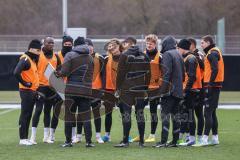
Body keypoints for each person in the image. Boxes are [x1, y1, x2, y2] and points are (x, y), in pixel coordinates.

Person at [55, 37, 95, 148]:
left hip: (71, 90)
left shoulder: (70, 55)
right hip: (86, 90)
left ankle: (68, 141)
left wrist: (57, 73)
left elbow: (64, 72)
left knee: (69, 116)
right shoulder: (90, 57)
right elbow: (90, 75)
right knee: (86, 117)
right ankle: (89, 142)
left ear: (75, 45)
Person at [114, 37, 150, 147]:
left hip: (127, 89)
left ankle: (125, 141)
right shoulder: (144, 56)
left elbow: (120, 74)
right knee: (140, 114)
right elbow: (148, 74)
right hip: (140, 88)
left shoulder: (124, 56)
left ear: (128, 44)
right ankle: (141, 142)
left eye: (125, 43)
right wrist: (145, 88)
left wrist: (117, 89)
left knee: (126, 114)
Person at [153, 36, 185, 148]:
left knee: (165, 116)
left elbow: (166, 74)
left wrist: (162, 91)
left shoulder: (167, 54)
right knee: (176, 117)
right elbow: (183, 75)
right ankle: (175, 141)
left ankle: (163, 141)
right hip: (178, 91)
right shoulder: (178, 54)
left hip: (169, 91)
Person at [30, 37, 61, 144]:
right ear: (44, 43)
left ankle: (46, 137)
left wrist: (58, 86)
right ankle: (32, 137)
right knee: (38, 110)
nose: (51, 44)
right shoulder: (38, 55)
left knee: (47, 112)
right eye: (49, 43)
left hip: (51, 88)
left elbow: (59, 71)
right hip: (40, 87)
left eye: (53, 43)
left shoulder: (56, 56)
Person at [194, 35, 224, 146]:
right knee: (212, 112)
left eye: (202, 43)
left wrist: (210, 84)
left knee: (207, 112)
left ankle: (205, 139)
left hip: (212, 86)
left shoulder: (212, 53)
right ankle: (215, 137)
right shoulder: (213, 52)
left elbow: (215, 69)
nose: (201, 45)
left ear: (208, 42)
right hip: (215, 85)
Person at [74, 38, 105, 144]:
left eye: (89, 46)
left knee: (97, 113)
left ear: (93, 47)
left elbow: (103, 75)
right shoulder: (79, 58)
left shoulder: (99, 58)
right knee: (81, 114)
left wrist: (103, 90)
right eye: (86, 46)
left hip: (96, 89)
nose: (88, 48)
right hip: (83, 89)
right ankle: (78, 136)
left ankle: (98, 136)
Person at [14, 39, 42, 146]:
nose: (39, 52)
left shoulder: (32, 60)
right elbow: (16, 72)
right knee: (25, 114)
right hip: (26, 91)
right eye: (37, 50)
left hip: (32, 91)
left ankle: (25, 138)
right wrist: (25, 83)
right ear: (31, 49)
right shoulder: (25, 59)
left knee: (29, 114)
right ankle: (22, 139)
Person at [177, 39, 202, 146]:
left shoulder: (190, 58)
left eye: (178, 48)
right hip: (189, 90)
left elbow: (192, 76)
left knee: (190, 114)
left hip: (191, 90)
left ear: (182, 48)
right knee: (186, 115)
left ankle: (192, 139)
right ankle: (186, 138)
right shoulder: (187, 57)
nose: (177, 50)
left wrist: (185, 91)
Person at [48, 36, 73, 142]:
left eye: (69, 44)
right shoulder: (57, 55)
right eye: (66, 44)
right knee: (56, 111)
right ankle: (51, 135)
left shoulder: (74, 55)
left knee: (71, 112)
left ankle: (73, 135)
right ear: (63, 44)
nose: (67, 46)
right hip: (59, 86)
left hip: (71, 86)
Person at [101, 39, 122, 142]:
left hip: (121, 90)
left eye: (114, 45)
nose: (112, 47)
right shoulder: (105, 58)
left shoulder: (124, 57)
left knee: (124, 113)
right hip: (108, 90)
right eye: (110, 46)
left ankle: (126, 135)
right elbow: (102, 74)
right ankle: (107, 135)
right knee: (108, 113)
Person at [188, 37, 205, 144]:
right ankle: (191, 136)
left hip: (199, 87)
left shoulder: (198, 55)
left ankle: (198, 136)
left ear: (193, 45)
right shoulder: (190, 56)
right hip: (194, 87)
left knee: (198, 113)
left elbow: (203, 67)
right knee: (190, 113)